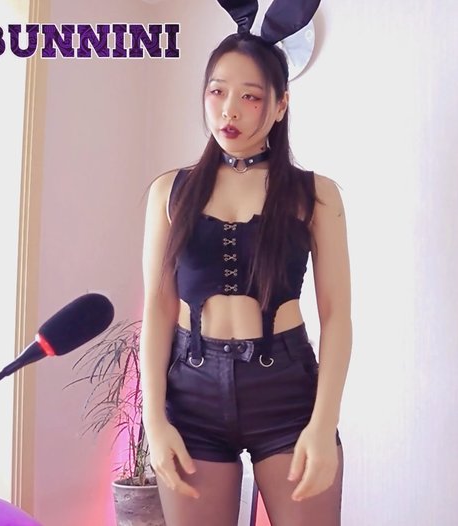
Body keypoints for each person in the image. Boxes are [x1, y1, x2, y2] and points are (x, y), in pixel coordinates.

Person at [139, 5, 352, 525]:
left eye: (250, 96)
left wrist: (322, 425)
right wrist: (155, 421)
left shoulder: (315, 194)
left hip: (287, 393)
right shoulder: (170, 192)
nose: (229, 110)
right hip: (191, 396)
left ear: (280, 105)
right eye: (217, 92)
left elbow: (337, 317)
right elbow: (158, 310)